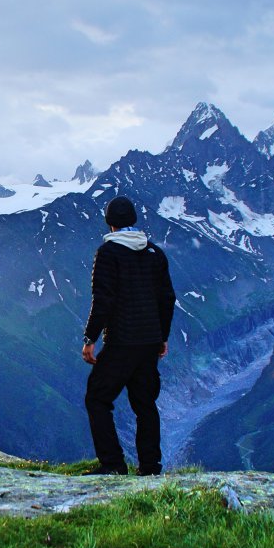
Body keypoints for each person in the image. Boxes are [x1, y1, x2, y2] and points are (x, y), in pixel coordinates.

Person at [81, 196, 176, 476]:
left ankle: (112, 465)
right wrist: (162, 336)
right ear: (133, 220)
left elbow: (103, 300)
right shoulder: (154, 253)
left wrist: (90, 338)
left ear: (110, 223)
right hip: (149, 342)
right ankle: (150, 467)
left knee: (97, 398)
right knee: (145, 404)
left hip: (121, 340)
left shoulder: (108, 254)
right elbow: (167, 298)